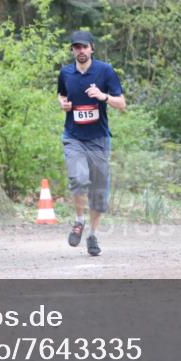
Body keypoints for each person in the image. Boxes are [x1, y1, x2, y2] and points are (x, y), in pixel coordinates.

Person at [57, 30, 126, 256]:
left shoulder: (105, 71)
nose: (81, 51)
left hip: (99, 140)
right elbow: (61, 94)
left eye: (84, 47)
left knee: (98, 191)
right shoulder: (66, 72)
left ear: (92, 48)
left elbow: (122, 104)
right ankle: (79, 221)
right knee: (78, 178)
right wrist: (63, 104)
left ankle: (93, 235)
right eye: (77, 47)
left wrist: (103, 96)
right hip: (73, 137)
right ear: (72, 51)